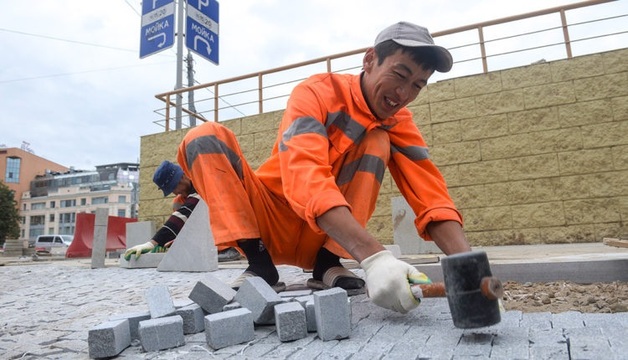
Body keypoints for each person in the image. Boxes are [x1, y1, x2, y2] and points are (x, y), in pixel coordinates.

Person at [175, 21, 472, 314]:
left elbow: (430, 194)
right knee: (203, 137)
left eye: (417, 85)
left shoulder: (398, 122)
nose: (404, 94)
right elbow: (304, 172)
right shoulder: (316, 93)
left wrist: (470, 269)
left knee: (377, 139)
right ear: (369, 60)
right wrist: (375, 258)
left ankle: (327, 263)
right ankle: (259, 263)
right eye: (399, 75)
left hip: (326, 236)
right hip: (269, 221)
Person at [124, 160, 242, 262]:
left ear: (181, 178)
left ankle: (228, 248)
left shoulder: (202, 184)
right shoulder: (179, 201)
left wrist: (153, 243)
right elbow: (182, 226)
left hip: (231, 234)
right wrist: (176, 241)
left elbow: (184, 213)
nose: (174, 193)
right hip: (207, 245)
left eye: (173, 188)